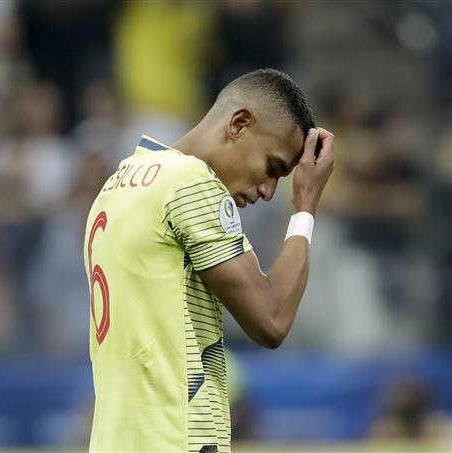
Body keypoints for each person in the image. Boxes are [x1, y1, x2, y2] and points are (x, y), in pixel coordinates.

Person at [83, 69, 334, 452]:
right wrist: (305, 206)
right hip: (175, 439)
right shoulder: (191, 182)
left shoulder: (119, 182)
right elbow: (272, 320)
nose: (269, 191)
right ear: (239, 124)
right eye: (273, 167)